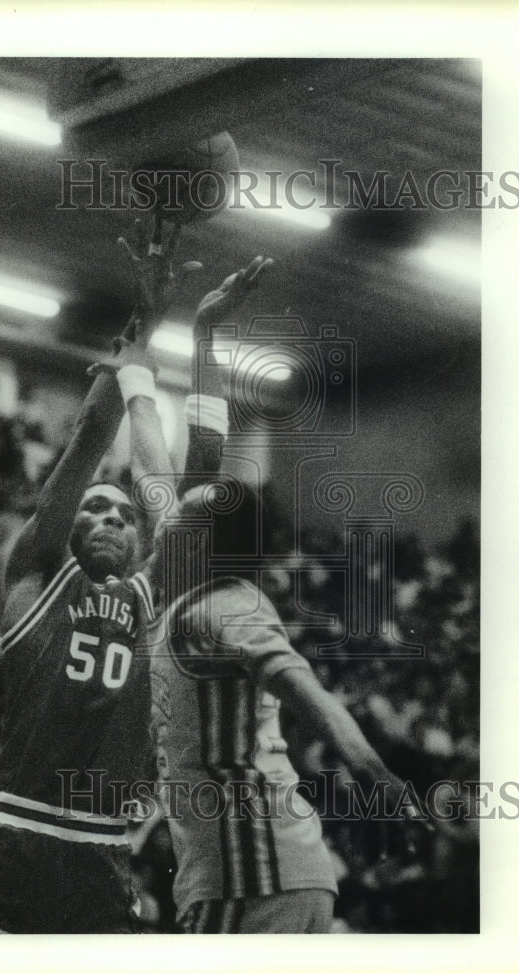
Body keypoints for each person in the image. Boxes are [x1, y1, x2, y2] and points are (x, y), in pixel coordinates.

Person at [122, 263, 417, 934]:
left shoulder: (224, 605)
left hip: (250, 872)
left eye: (185, 516)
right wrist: (154, 357)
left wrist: (374, 773)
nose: (169, 514)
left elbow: (309, 694)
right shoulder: (180, 597)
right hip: (255, 871)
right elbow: (160, 461)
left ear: (203, 544)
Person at [0, 216, 195, 934]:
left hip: (102, 854)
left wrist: (145, 361)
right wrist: (140, 328)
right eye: (97, 510)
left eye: (124, 515)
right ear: (69, 528)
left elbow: (157, 484)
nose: (115, 517)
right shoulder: (34, 577)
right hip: (17, 842)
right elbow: (90, 442)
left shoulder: (149, 594)